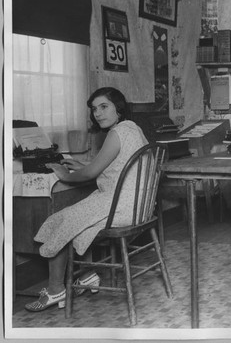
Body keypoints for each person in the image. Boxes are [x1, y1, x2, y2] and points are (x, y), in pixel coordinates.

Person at [25, 87, 148, 312]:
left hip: (120, 206)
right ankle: (88, 276)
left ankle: (55, 290)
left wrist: (66, 176)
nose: (98, 113)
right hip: (138, 206)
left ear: (118, 109)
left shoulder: (116, 133)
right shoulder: (132, 129)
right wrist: (83, 167)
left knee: (62, 219)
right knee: (80, 216)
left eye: (104, 107)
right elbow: (116, 166)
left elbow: (92, 174)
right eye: (94, 109)